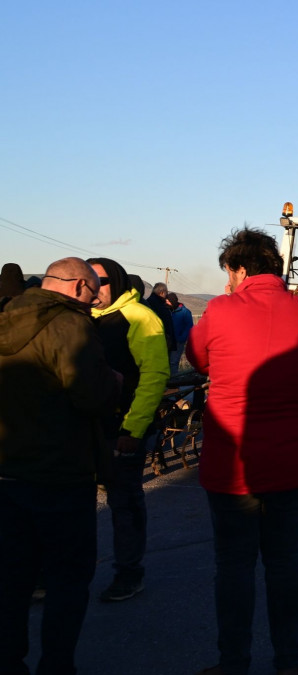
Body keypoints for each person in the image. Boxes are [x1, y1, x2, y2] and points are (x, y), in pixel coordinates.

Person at [186, 227, 298, 675]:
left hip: (234, 464)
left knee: (234, 565)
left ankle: (233, 667)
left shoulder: (222, 309)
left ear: (239, 269)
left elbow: (197, 357)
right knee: (285, 562)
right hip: (292, 460)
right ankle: (288, 663)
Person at [0, 258, 120, 675]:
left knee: (10, 585)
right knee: (67, 587)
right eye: (92, 294)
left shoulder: (5, 316)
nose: (93, 304)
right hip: (60, 477)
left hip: (5, 473)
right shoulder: (70, 327)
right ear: (74, 288)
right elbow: (92, 396)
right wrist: (113, 381)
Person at [86, 257, 170, 603]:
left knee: (124, 503)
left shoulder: (140, 317)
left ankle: (128, 573)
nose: (93, 287)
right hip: (83, 429)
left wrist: (133, 429)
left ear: (117, 282)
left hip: (122, 428)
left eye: (101, 281)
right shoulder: (81, 317)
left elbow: (153, 376)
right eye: (89, 280)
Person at [145, 281, 177, 358]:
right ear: (162, 293)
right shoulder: (161, 307)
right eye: (166, 292)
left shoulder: (147, 303)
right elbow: (166, 325)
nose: (167, 295)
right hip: (161, 341)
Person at [166, 291, 194, 372]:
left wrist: (181, 338)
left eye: (168, 301)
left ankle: (173, 380)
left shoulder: (185, 312)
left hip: (178, 341)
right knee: (167, 362)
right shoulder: (168, 311)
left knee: (173, 362)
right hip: (168, 340)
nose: (166, 303)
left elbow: (189, 327)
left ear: (172, 301)